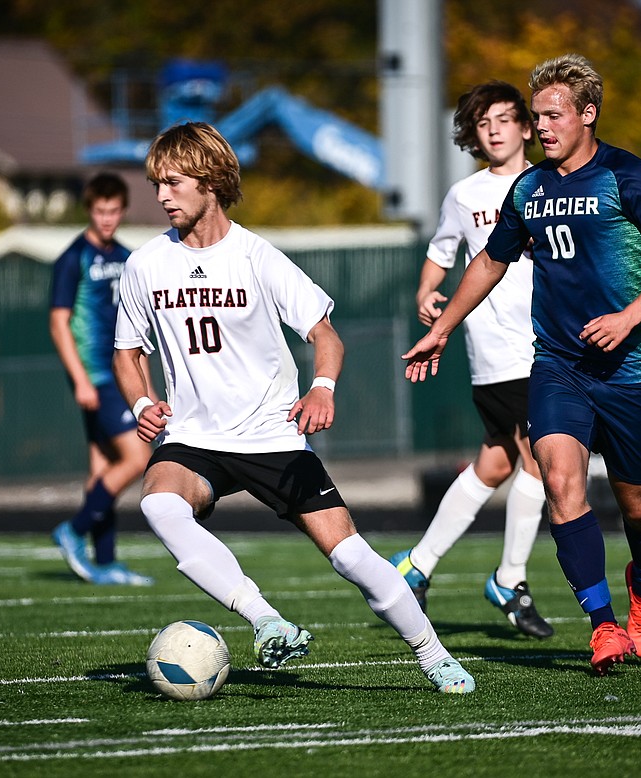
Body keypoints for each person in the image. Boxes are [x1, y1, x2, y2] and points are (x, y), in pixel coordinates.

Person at [112, 122, 475, 693]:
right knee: (159, 504)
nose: (161, 196)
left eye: (173, 182)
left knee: (351, 556)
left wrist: (322, 387)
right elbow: (126, 351)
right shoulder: (145, 264)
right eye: (157, 183)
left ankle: (432, 654)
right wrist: (140, 402)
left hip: (272, 437)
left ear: (209, 181)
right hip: (195, 439)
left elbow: (326, 336)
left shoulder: (259, 258)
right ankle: (266, 620)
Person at [403, 54, 641, 674]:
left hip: (630, 369)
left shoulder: (627, 176)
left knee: (639, 504)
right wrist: (443, 329)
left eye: (552, 114)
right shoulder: (529, 188)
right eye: (535, 116)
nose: (541, 126)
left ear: (588, 114)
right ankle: (603, 625)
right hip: (558, 366)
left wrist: (628, 317)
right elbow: (488, 261)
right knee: (560, 484)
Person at [388, 81, 552, 639]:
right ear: (473, 135)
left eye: (506, 119)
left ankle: (416, 565)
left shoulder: (554, 185)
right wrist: (424, 292)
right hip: (501, 348)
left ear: (527, 126)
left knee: (498, 461)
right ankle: (509, 578)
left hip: (550, 342)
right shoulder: (465, 195)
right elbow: (440, 252)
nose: (496, 130)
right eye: (484, 123)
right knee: (540, 458)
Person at [49, 172, 154, 586]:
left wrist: (148, 390)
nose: (107, 218)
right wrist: (80, 380)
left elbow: (138, 332)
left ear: (122, 210)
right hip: (98, 376)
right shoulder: (73, 257)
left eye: (113, 211)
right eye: (99, 211)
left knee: (102, 470)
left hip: (124, 375)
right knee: (136, 457)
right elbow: (59, 324)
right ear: (89, 211)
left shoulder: (129, 258)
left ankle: (106, 561)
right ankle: (74, 530)